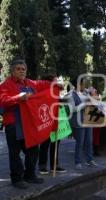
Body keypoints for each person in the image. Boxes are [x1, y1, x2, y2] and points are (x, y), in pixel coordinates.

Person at [0, 60, 52, 189]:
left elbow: (43, 84)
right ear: (12, 71)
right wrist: (18, 97)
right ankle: (17, 178)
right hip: (14, 123)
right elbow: (3, 100)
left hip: (29, 124)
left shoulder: (30, 83)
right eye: (18, 69)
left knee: (33, 150)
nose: (22, 71)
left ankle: (30, 175)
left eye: (23, 69)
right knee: (15, 153)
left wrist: (55, 85)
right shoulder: (5, 85)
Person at [67, 77, 97, 170]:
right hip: (78, 122)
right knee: (80, 142)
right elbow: (73, 109)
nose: (84, 85)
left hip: (87, 120)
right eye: (83, 83)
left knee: (89, 141)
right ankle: (78, 162)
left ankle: (90, 159)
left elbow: (95, 95)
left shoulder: (85, 92)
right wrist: (84, 104)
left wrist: (93, 94)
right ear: (78, 85)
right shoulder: (71, 95)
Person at [38, 74, 66, 175]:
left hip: (56, 120)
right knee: (45, 144)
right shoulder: (44, 91)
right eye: (55, 80)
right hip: (47, 121)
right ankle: (42, 166)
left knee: (56, 143)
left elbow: (60, 101)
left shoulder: (56, 91)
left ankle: (55, 165)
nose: (57, 82)